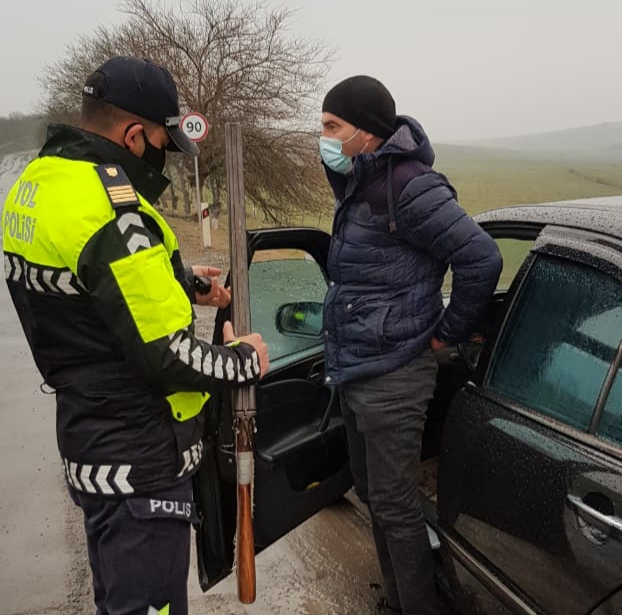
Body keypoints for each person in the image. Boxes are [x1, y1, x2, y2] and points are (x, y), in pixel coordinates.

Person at [2, 56, 269, 615]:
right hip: (140, 456)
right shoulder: (108, 207)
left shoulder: (39, 182)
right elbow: (167, 356)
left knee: (117, 601)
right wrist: (242, 360)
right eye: (161, 144)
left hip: (91, 437)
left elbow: (95, 287)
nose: (163, 159)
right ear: (132, 135)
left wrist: (184, 281)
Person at [319, 76, 502, 615]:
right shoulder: (360, 180)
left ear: (368, 133)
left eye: (332, 126)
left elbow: (481, 258)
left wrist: (445, 332)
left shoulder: (412, 185)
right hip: (359, 368)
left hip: (396, 372)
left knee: (395, 507)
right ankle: (398, 601)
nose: (323, 137)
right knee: (373, 494)